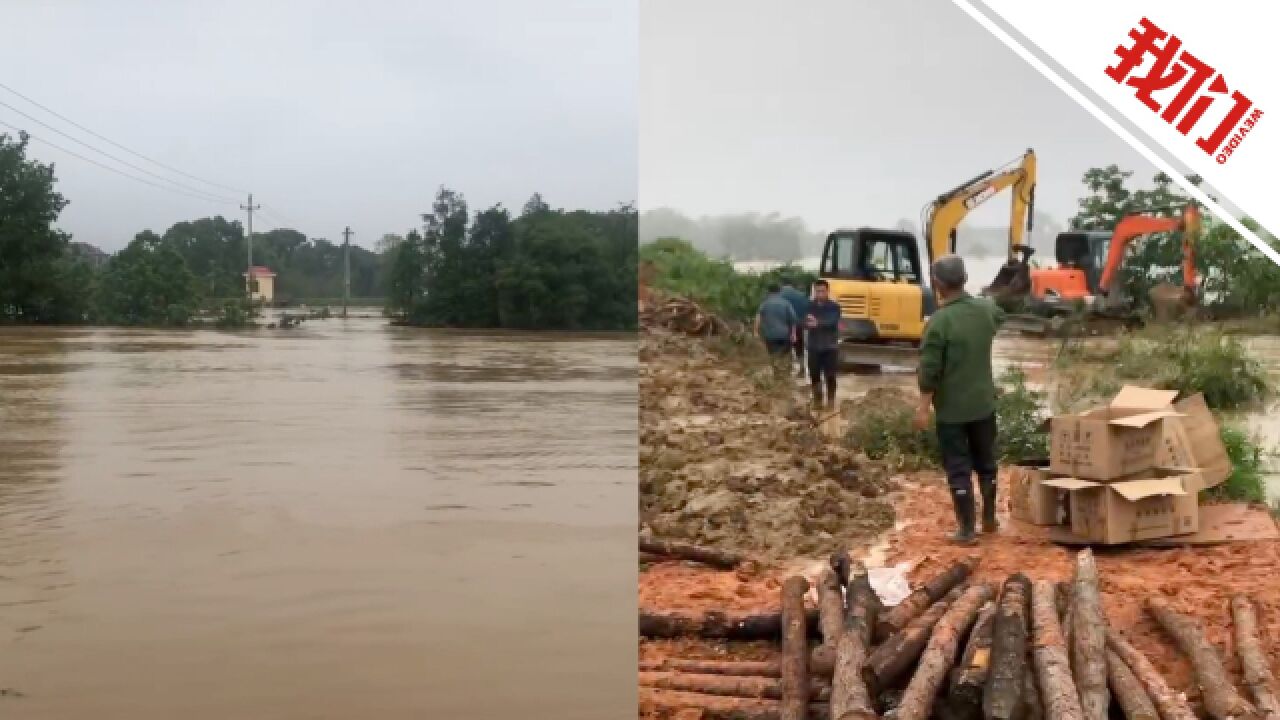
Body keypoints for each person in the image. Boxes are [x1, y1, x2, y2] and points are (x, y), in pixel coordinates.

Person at [912, 254, 1006, 546]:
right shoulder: (986, 310)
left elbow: (930, 371)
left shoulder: (939, 322)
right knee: (986, 462)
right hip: (983, 403)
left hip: (952, 410)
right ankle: (989, 519)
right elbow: (998, 319)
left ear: (938, 284)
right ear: (964, 279)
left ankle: (967, 530)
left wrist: (923, 408)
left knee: (958, 467)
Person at [804, 280, 842, 411]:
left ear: (827, 291)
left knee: (830, 375)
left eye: (822, 291)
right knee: (814, 374)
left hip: (830, 346)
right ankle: (817, 400)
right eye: (817, 291)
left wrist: (817, 323)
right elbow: (802, 321)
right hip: (813, 346)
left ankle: (831, 400)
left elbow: (832, 322)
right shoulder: (809, 306)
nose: (819, 294)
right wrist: (806, 323)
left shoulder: (834, 307)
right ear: (814, 291)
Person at [754, 283, 797, 359]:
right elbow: (793, 319)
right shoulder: (786, 303)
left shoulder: (764, 303)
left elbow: (758, 318)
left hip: (770, 336)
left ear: (768, 292)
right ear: (779, 291)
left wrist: (756, 332)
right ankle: (784, 369)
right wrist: (793, 334)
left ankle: (776, 370)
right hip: (784, 335)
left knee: (774, 357)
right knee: (785, 357)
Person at [780, 280, 810, 378]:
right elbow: (808, 309)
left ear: (782, 285)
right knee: (799, 348)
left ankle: (787, 370)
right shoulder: (801, 295)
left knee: (785, 349)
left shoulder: (780, 296)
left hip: (784, 326)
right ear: (792, 285)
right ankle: (802, 369)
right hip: (799, 326)